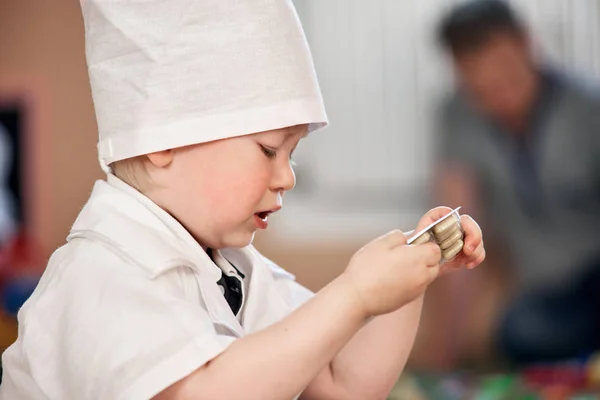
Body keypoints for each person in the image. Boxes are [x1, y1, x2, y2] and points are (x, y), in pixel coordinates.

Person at [0, 1, 485, 399]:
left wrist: (411, 274)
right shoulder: (101, 279)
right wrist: (353, 294)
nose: (287, 177)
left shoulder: (235, 269)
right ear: (161, 141)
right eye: (270, 150)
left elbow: (344, 385)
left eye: (292, 154)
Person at [433, 0, 600, 365]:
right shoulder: (457, 117)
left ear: (528, 45)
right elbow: (453, 232)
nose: (500, 100)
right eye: (481, 91)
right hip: (548, 298)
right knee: (518, 333)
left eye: (508, 79)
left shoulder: (588, 108)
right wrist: (446, 360)